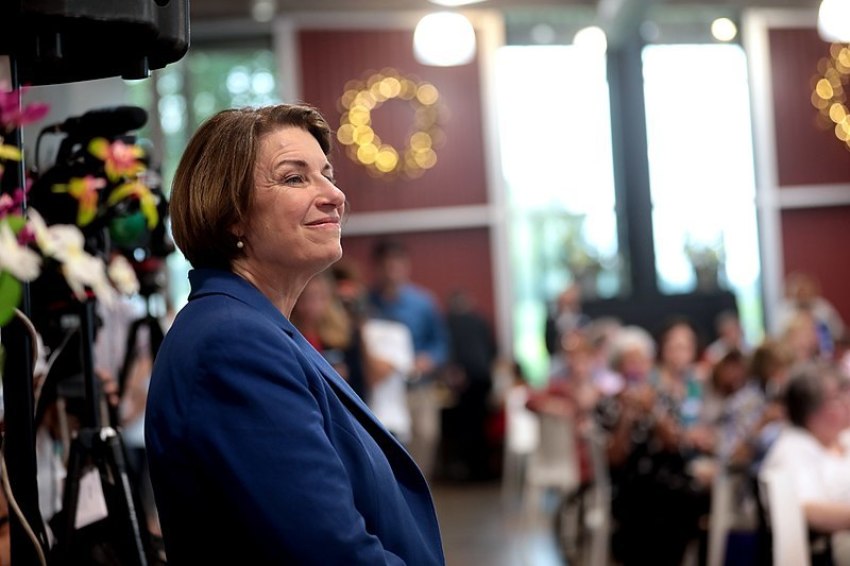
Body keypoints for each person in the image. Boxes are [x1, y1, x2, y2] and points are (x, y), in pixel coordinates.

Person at [144, 104, 444, 565]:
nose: (334, 195)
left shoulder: (254, 327)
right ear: (231, 214)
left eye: (327, 174)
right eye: (294, 178)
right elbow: (330, 553)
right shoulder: (234, 343)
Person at [368, 237, 450, 480]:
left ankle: (419, 487)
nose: (392, 271)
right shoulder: (367, 302)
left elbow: (441, 343)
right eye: (386, 265)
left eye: (397, 264)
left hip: (417, 386)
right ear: (377, 267)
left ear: (406, 266)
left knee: (425, 436)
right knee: (385, 444)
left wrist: (428, 360)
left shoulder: (423, 302)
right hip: (381, 389)